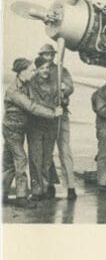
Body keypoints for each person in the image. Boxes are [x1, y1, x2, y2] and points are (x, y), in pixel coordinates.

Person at [3, 58, 60, 206]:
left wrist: (62, 89)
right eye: (31, 70)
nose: (34, 72)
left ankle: (2, 194)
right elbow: (31, 107)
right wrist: (53, 113)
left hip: (19, 129)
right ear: (22, 72)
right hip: (12, 130)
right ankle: (21, 197)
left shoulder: (26, 85)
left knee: (9, 163)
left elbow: (41, 91)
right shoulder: (13, 91)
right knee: (21, 159)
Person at [37, 42, 77, 200]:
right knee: (46, 153)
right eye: (46, 55)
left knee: (65, 152)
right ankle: (49, 185)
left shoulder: (61, 70)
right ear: (41, 56)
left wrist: (63, 91)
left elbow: (70, 87)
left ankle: (71, 187)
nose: (49, 57)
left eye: (51, 54)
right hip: (47, 117)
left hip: (61, 115)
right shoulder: (38, 72)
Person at [24, 55, 62, 200]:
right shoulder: (31, 84)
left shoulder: (54, 83)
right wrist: (53, 110)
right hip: (35, 126)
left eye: (47, 67)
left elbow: (59, 99)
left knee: (47, 159)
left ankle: (45, 187)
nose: (45, 71)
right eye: (42, 68)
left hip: (50, 127)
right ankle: (36, 190)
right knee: (35, 159)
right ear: (37, 69)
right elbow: (34, 105)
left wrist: (63, 97)